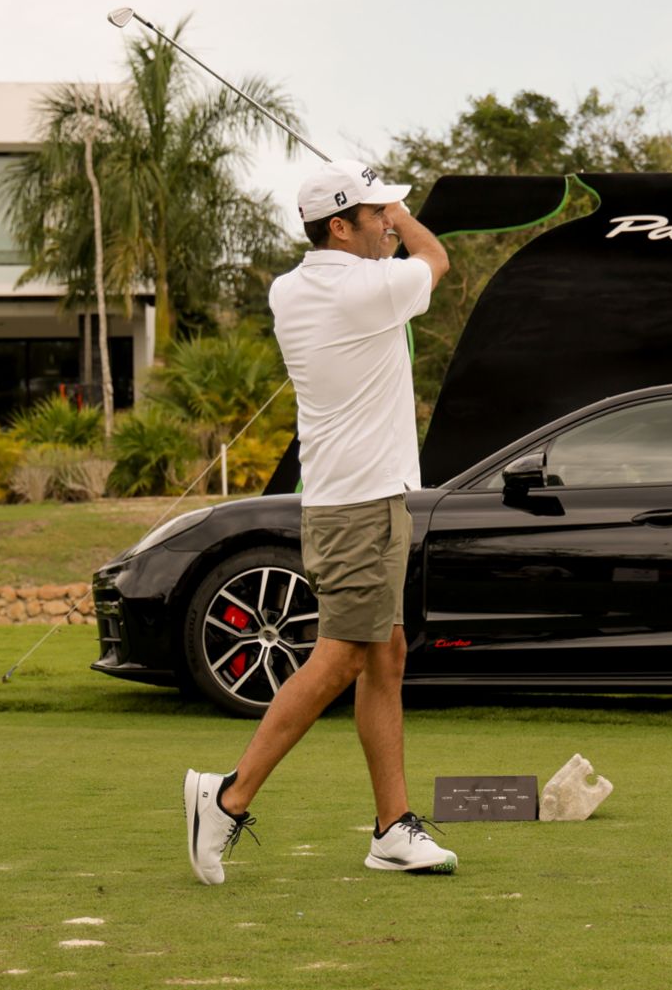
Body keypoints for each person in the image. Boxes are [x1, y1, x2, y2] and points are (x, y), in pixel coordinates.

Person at [183, 159, 453, 884]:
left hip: (361, 499)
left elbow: (393, 260)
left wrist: (379, 207)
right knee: (340, 656)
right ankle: (226, 796)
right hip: (358, 506)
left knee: (385, 651)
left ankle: (392, 827)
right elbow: (435, 256)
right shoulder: (364, 288)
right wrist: (403, 211)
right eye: (375, 218)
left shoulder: (291, 286)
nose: (389, 228)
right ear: (341, 226)